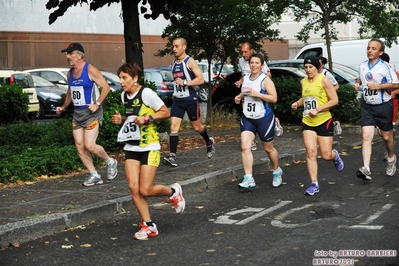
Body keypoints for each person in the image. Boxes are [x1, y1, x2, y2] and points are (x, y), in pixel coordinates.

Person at [111, 63, 185, 240]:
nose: (121, 82)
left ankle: (173, 192)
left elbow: (165, 112)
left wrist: (147, 118)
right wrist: (121, 119)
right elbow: (131, 118)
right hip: (131, 147)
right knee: (133, 188)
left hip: (150, 146)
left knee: (145, 189)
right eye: (120, 78)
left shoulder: (146, 93)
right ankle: (148, 225)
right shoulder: (124, 96)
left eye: (124, 78)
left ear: (135, 78)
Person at [56, 42, 118, 186]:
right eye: (67, 54)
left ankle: (110, 161)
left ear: (79, 55)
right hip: (78, 113)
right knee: (79, 145)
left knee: (89, 145)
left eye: (70, 54)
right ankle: (94, 175)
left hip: (91, 112)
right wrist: (64, 107)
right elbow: (71, 91)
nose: (67, 57)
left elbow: (106, 87)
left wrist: (97, 103)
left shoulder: (90, 69)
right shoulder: (70, 73)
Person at [291, 55, 344, 196]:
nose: (308, 70)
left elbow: (334, 100)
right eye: (306, 67)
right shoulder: (303, 82)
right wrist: (297, 103)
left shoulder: (324, 80)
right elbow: (306, 97)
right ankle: (314, 184)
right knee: (310, 152)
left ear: (317, 67)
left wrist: (318, 109)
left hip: (323, 120)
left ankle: (335, 156)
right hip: (308, 121)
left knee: (326, 155)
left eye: (311, 67)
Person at [162, 37, 215, 167]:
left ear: (184, 47)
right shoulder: (174, 62)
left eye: (176, 46)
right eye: (173, 46)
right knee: (173, 127)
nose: (174, 49)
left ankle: (209, 142)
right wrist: (176, 92)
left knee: (197, 127)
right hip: (178, 101)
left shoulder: (189, 61)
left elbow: (201, 79)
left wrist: (185, 83)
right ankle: (172, 156)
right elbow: (177, 82)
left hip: (190, 100)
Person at [234, 53, 283, 188]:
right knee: (245, 147)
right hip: (248, 118)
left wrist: (258, 94)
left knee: (268, 148)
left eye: (257, 63)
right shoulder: (246, 78)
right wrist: (238, 97)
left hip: (264, 118)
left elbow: (274, 98)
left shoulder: (265, 80)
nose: (254, 65)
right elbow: (245, 92)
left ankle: (276, 170)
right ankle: (248, 177)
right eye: (252, 63)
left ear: (262, 66)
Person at [353, 39, 399, 181]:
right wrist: (357, 85)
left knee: (386, 137)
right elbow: (361, 81)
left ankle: (391, 157)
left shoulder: (385, 67)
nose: (370, 50)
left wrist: (378, 87)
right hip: (367, 106)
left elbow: (396, 84)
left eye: (373, 48)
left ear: (380, 52)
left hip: (383, 106)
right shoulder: (362, 66)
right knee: (366, 137)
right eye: (368, 48)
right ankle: (366, 169)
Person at [234, 42, 283, 151]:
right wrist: (240, 82)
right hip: (247, 88)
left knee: (268, 147)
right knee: (246, 108)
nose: (243, 54)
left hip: (259, 87)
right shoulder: (242, 61)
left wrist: (259, 82)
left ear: (251, 51)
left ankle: (273, 121)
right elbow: (244, 75)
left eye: (246, 52)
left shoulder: (258, 61)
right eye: (242, 52)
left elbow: (268, 74)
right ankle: (251, 140)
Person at [318, 56, 342, 135]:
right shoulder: (313, 73)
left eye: (319, 63)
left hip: (326, 99)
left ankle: (334, 124)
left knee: (323, 114)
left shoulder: (326, 74)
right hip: (317, 98)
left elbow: (336, 85)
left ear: (323, 65)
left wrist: (329, 93)